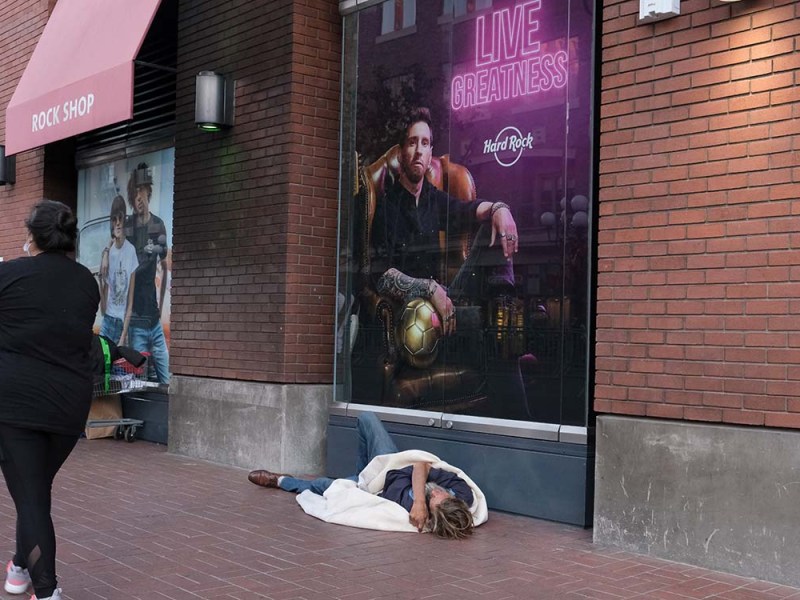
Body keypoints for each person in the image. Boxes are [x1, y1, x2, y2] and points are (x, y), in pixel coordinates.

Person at [0, 200, 100, 600]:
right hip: (69, 407)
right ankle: (20, 566)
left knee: (33, 497)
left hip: (15, 405)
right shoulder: (87, 283)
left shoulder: (8, 276)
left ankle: (47, 592)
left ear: (31, 236)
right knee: (35, 491)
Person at [369, 106, 519, 335]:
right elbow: (381, 277)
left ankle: (502, 308)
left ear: (430, 155)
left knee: (492, 223)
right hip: (414, 311)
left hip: (446, 297)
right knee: (490, 328)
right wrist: (429, 289)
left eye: (425, 143)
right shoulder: (388, 205)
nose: (419, 150)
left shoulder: (433, 198)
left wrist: (500, 209)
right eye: (412, 142)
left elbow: (469, 210)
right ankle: (499, 324)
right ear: (401, 153)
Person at [248, 412, 476, 540]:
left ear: (431, 515)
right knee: (366, 418)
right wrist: (421, 499)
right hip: (388, 463)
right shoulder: (463, 494)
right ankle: (360, 472)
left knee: (321, 486)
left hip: (371, 487)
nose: (437, 492)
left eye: (435, 499)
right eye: (443, 493)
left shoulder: (406, 507)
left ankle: (280, 481)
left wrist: (416, 501)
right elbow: (421, 465)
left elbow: (394, 485)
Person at [124, 163, 170, 385]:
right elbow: (129, 268)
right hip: (135, 320)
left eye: (141, 191)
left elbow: (165, 266)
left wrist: (161, 308)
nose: (138, 198)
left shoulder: (158, 224)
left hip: (153, 319)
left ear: (148, 191)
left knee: (166, 379)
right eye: (134, 193)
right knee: (138, 383)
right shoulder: (127, 226)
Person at [98, 195, 138, 344]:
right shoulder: (108, 254)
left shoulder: (131, 251)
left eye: (120, 218)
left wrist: (123, 337)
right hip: (107, 321)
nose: (118, 223)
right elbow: (103, 308)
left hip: (121, 324)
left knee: (117, 367)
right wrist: (101, 279)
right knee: (101, 365)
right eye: (114, 219)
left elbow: (130, 302)